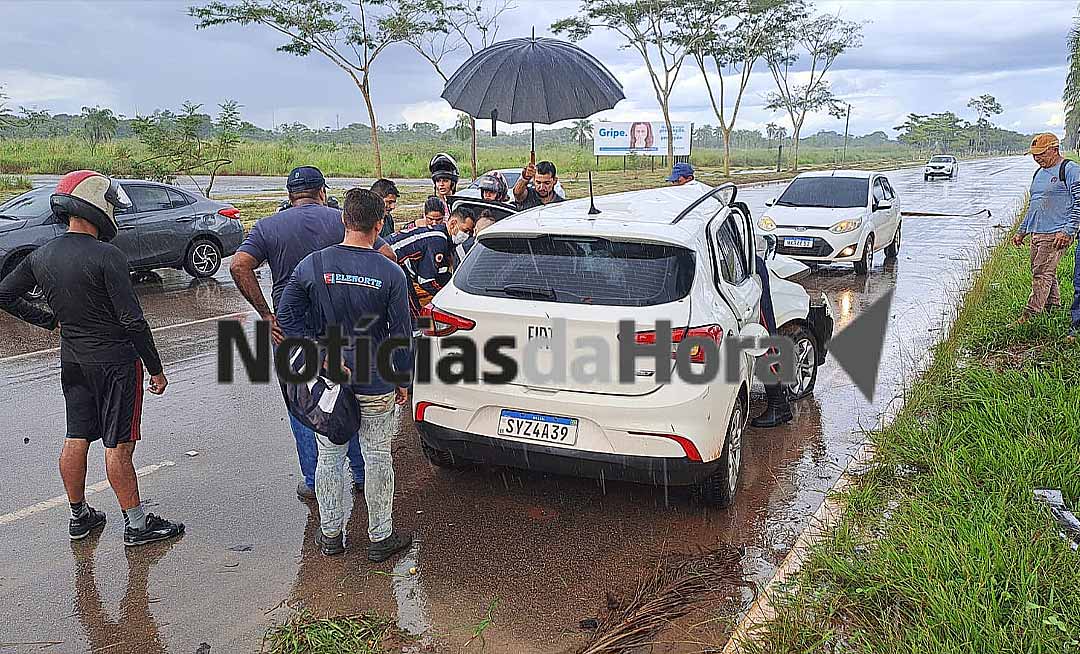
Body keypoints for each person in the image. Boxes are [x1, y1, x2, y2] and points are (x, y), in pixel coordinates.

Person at [0, 170, 184, 546]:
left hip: (73, 361)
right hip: (116, 363)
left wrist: (50, 320)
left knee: (77, 435)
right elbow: (133, 320)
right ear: (96, 204)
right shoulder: (108, 256)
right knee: (119, 445)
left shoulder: (42, 255)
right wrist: (156, 367)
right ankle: (136, 525)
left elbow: (4, 294)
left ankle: (79, 516)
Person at [230, 166, 389, 501]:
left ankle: (315, 479)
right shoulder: (342, 221)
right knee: (350, 395)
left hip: (290, 333)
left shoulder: (268, 226)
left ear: (290, 196)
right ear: (322, 192)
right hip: (344, 329)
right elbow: (386, 255)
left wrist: (266, 314)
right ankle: (359, 474)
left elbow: (238, 265)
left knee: (305, 404)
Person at [276, 188, 413, 562]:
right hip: (376, 380)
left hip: (330, 381)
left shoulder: (313, 265)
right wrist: (403, 380)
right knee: (377, 456)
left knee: (330, 456)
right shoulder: (390, 272)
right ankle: (380, 537)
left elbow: (285, 316)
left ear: (343, 219)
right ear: (379, 224)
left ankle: (331, 535)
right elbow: (401, 334)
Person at [1012, 133, 1080, 334]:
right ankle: (1053, 305)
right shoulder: (1038, 173)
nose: (1037, 158)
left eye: (1041, 154)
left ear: (1054, 149)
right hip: (1038, 231)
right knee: (1045, 270)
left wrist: (1068, 230)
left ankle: (1031, 313)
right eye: (1034, 155)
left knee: (1041, 273)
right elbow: (1034, 205)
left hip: (1057, 232)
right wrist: (1022, 231)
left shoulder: (1069, 169)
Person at [386, 215, 454, 325]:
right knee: (412, 308)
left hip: (389, 257)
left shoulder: (438, 233)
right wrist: (445, 297)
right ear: (453, 224)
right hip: (389, 261)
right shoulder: (439, 241)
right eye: (466, 230)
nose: (466, 234)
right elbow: (425, 281)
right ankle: (418, 331)